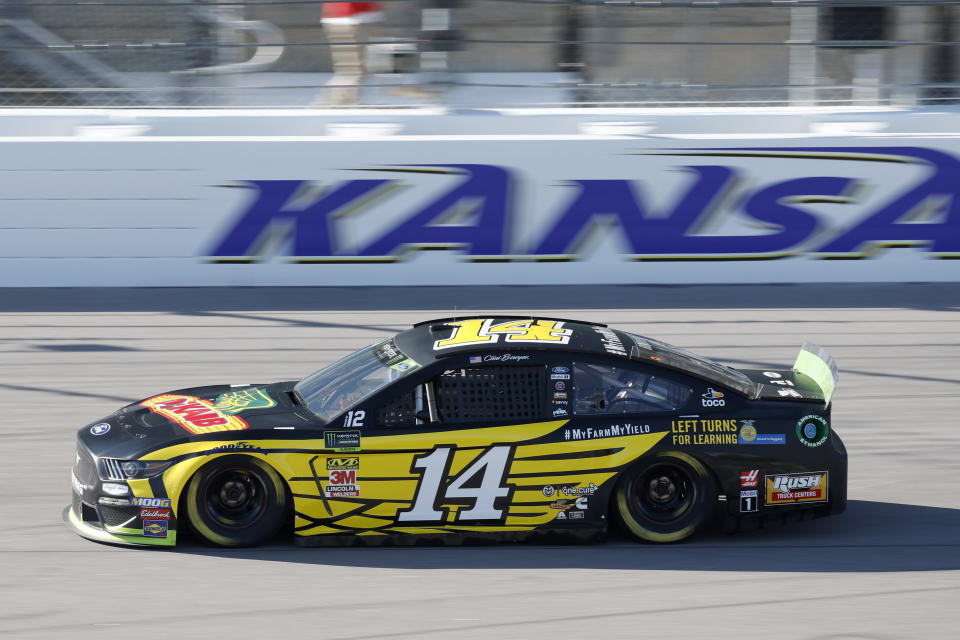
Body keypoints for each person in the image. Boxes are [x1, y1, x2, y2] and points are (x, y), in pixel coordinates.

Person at [319, 1, 384, 105]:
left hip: (360, 18)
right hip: (345, 19)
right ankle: (324, 108)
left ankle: (347, 107)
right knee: (351, 73)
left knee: (358, 72)